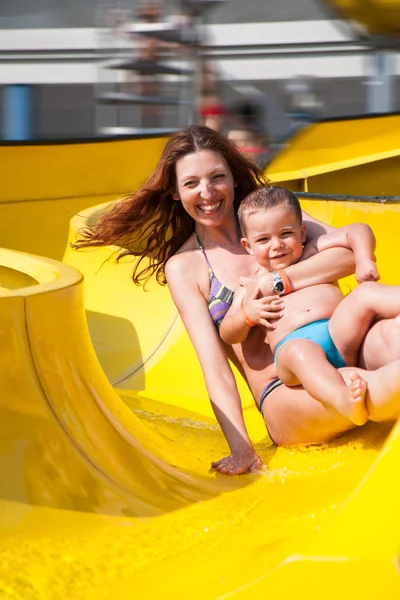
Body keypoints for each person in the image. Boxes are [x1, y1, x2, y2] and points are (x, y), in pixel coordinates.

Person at [73, 125, 400, 476]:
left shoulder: (273, 217)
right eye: (192, 183)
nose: (207, 192)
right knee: (364, 390)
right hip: (284, 389)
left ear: (232, 178)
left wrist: (276, 281)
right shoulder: (187, 267)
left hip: (346, 340)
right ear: (174, 192)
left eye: (217, 177)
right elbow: (215, 366)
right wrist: (241, 449)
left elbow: (348, 255)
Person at [220, 185, 400, 427]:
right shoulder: (250, 286)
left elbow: (358, 230)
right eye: (263, 239)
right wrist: (246, 315)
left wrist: (364, 258)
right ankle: (342, 399)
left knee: (366, 292)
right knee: (298, 351)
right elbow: (228, 333)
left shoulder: (312, 252)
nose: (277, 245)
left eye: (285, 234)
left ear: (302, 232)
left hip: (338, 331)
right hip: (294, 350)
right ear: (248, 245)